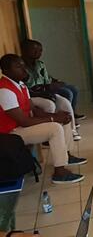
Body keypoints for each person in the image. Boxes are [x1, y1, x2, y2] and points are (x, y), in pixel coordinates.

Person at [0, 54, 86, 184]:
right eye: (18, 67)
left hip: (22, 127)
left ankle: (66, 156)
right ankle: (60, 173)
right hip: (11, 134)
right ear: (6, 70)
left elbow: (34, 110)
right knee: (55, 128)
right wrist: (53, 119)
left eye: (23, 66)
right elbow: (24, 121)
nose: (24, 70)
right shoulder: (4, 90)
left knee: (63, 118)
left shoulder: (21, 85)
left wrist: (58, 116)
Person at [21, 40, 81, 141]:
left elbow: (46, 79)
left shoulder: (40, 64)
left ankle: (71, 129)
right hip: (33, 94)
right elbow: (27, 85)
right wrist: (49, 87)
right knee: (64, 95)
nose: (38, 53)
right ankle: (49, 132)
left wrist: (55, 83)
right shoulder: (21, 66)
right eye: (35, 50)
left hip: (45, 91)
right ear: (25, 50)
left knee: (66, 100)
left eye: (40, 50)